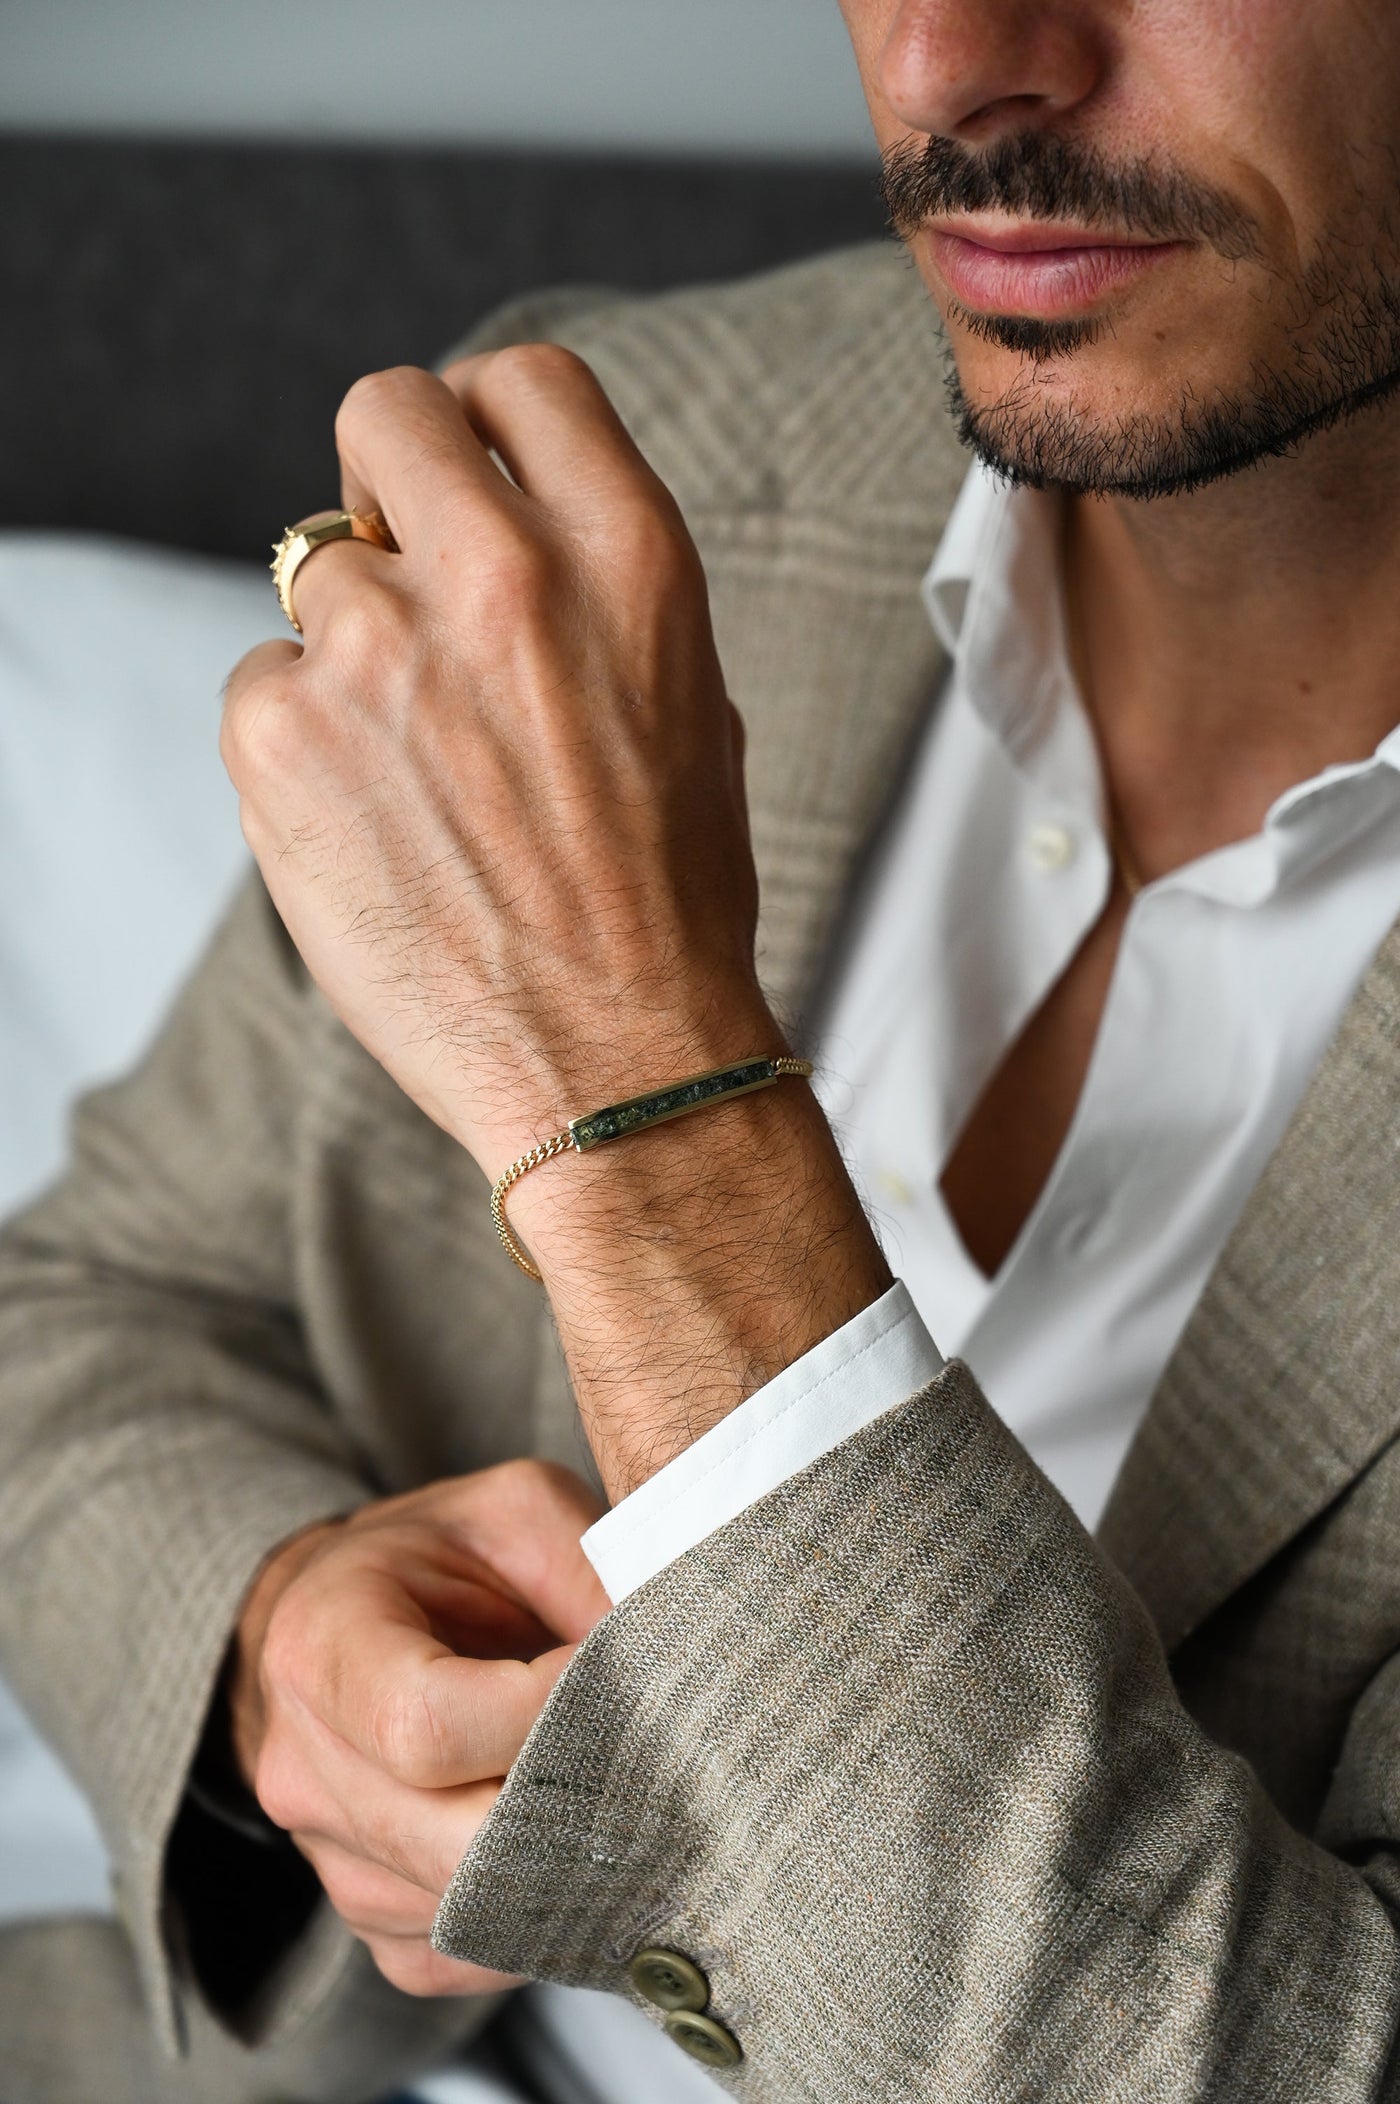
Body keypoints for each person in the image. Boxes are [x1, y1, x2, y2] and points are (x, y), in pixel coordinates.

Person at [5, 0, 1400, 2096]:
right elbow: (90, 1305)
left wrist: (638, 1105)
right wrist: (275, 1638)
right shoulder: (633, 458)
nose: (951, 61)